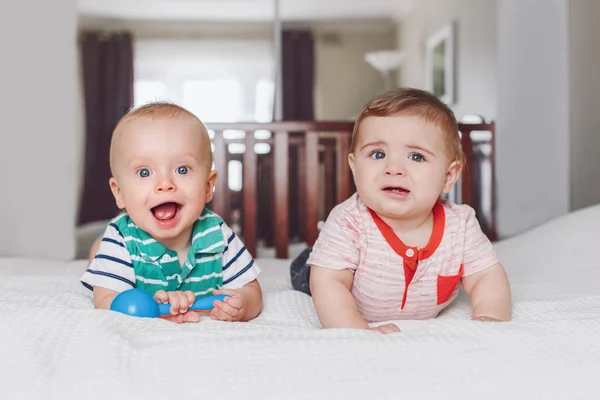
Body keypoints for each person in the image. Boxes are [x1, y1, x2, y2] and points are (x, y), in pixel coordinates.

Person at [291, 88, 511, 334]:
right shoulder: (349, 221)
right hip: (323, 272)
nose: (394, 168)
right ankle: (308, 257)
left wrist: (490, 317)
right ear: (355, 167)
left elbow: (486, 276)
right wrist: (356, 331)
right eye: (378, 154)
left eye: (416, 157)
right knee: (310, 271)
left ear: (448, 177)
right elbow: (328, 282)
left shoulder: (460, 225)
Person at [81, 102, 262, 324]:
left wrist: (240, 305)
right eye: (144, 172)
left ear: (208, 186)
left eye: (182, 169)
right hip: (118, 249)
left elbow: (251, 292)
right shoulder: (121, 239)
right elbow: (106, 300)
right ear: (119, 193)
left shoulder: (217, 234)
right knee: (103, 250)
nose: (165, 184)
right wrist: (160, 308)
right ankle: (97, 253)